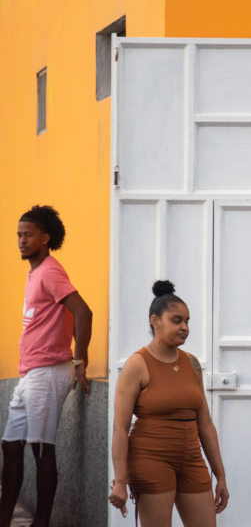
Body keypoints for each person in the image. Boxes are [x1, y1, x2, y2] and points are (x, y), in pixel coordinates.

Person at [1, 205, 92, 527]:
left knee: (42, 449)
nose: (21, 241)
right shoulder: (35, 272)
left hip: (49, 371)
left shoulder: (51, 270)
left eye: (28, 235)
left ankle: (41, 521)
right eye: (19, 235)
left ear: (45, 238)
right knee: (11, 445)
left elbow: (83, 312)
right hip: (30, 373)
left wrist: (80, 360)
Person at [109, 280, 228, 525]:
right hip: (150, 459)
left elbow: (205, 425)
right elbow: (120, 428)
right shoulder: (137, 364)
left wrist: (221, 476)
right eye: (177, 320)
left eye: (187, 321)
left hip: (191, 458)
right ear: (155, 321)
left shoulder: (192, 364)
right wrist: (120, 482)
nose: (185, 327)